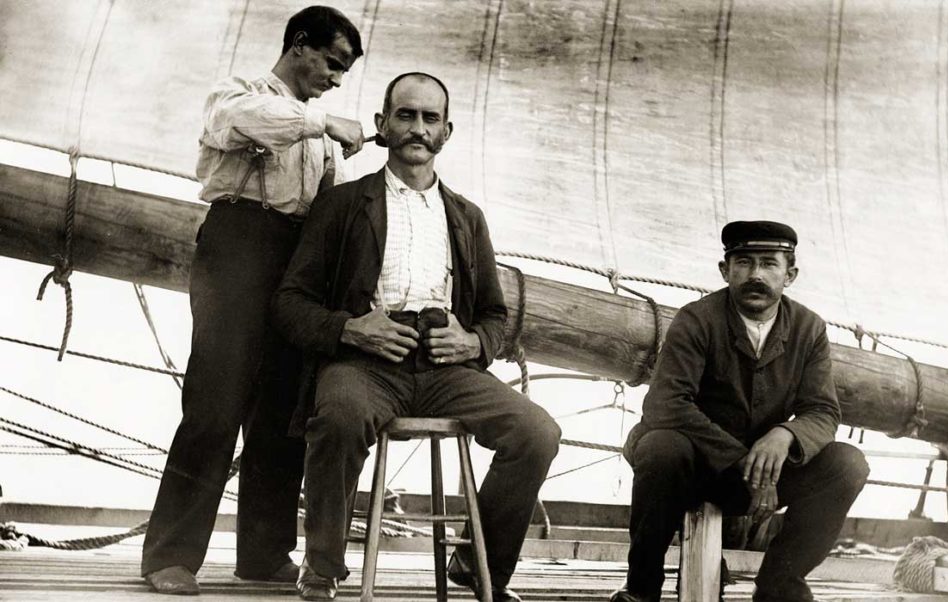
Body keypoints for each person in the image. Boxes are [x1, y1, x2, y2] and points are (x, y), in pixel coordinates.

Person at [273, 72, 561, 602]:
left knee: (537, 432)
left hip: (445, 366)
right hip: (364, 362)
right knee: (337, 418)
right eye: (405, 115)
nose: (417, 128)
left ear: (446, 132)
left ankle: (479, 569)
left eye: (430, 119)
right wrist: (350, 329)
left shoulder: (467, 218)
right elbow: (290, 304)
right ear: (383, 125)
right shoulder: (341, 205)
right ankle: (322, 570)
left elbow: (496, 315)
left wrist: (473, 344)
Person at [141, 6, 367, 595]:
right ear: (299, 45)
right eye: (333, 64)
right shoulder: (239, 94)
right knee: (215, 403)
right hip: (238, 246)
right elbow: (238, 121)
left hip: (297, 260)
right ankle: (170, 556)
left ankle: (264, 554)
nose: (337, 79)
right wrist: (324, 126)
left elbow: (330, 207)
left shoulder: (317, 132)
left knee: (283, 411)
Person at [611, 221, 870, 602]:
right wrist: (744, 461)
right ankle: (641, 589)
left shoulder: (808, 328)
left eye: (769, 264)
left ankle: (781, 584)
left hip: (765, 473)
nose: (756, 275)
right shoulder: (696, 320)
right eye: (744, 263)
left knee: (847, 464)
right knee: (660, 448)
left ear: (790, 274)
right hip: (694, 468)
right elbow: (666, 404)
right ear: (724, 270)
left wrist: (786, 436)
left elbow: (822, 411)